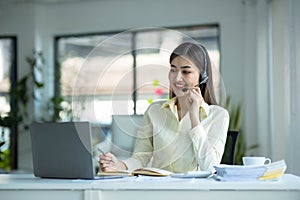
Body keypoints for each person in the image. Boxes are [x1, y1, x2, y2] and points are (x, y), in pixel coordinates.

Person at [99, 42, 229, 173]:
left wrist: (194, 116)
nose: (177, 78)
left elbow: (210, 167)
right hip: (159, 189)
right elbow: (140, 158)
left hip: (194, 191)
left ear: (202, 76)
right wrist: (118, 164)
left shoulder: (218, 115)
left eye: (186, 71)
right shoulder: (154, 111)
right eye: (173, 70)